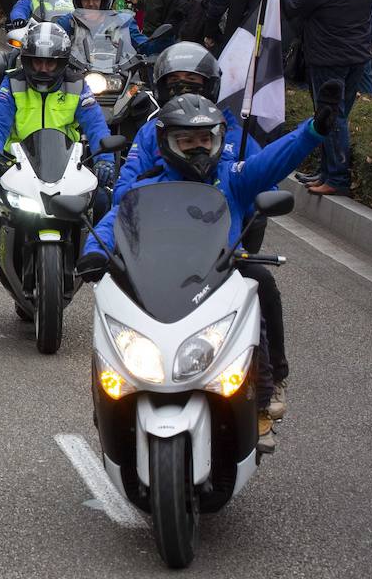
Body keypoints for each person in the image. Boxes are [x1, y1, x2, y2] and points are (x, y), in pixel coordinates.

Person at [79, 87, 342, 451]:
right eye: (186, 140)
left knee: (260, 283)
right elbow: (114, 221)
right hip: (158, 283)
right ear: (166, 142)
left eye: (206, 138)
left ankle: (263, 394)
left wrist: (314, 129)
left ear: (219, 137)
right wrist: (94, 251)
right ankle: (112, 408)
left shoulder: (233, 177)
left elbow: (274, 161)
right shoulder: (145, 187)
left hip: (220, 278)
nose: (198, 148)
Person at [0, 22, 114, 270]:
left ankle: (98, 249)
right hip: (17, 162)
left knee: (101, 198)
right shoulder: (11, 84)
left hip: (67, 162)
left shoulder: (78, 86)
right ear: (26, 60)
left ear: (62, 63)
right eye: (37, 62)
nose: (44, 69)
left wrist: (105, 161)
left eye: (50, 63)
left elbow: (97, 127)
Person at [280, 0, 372, 196]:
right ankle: (326, 171)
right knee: (337, 115)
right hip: (357, 57)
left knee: (331, 117)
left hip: (327, 58)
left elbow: (294, 7)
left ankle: (336, 177)